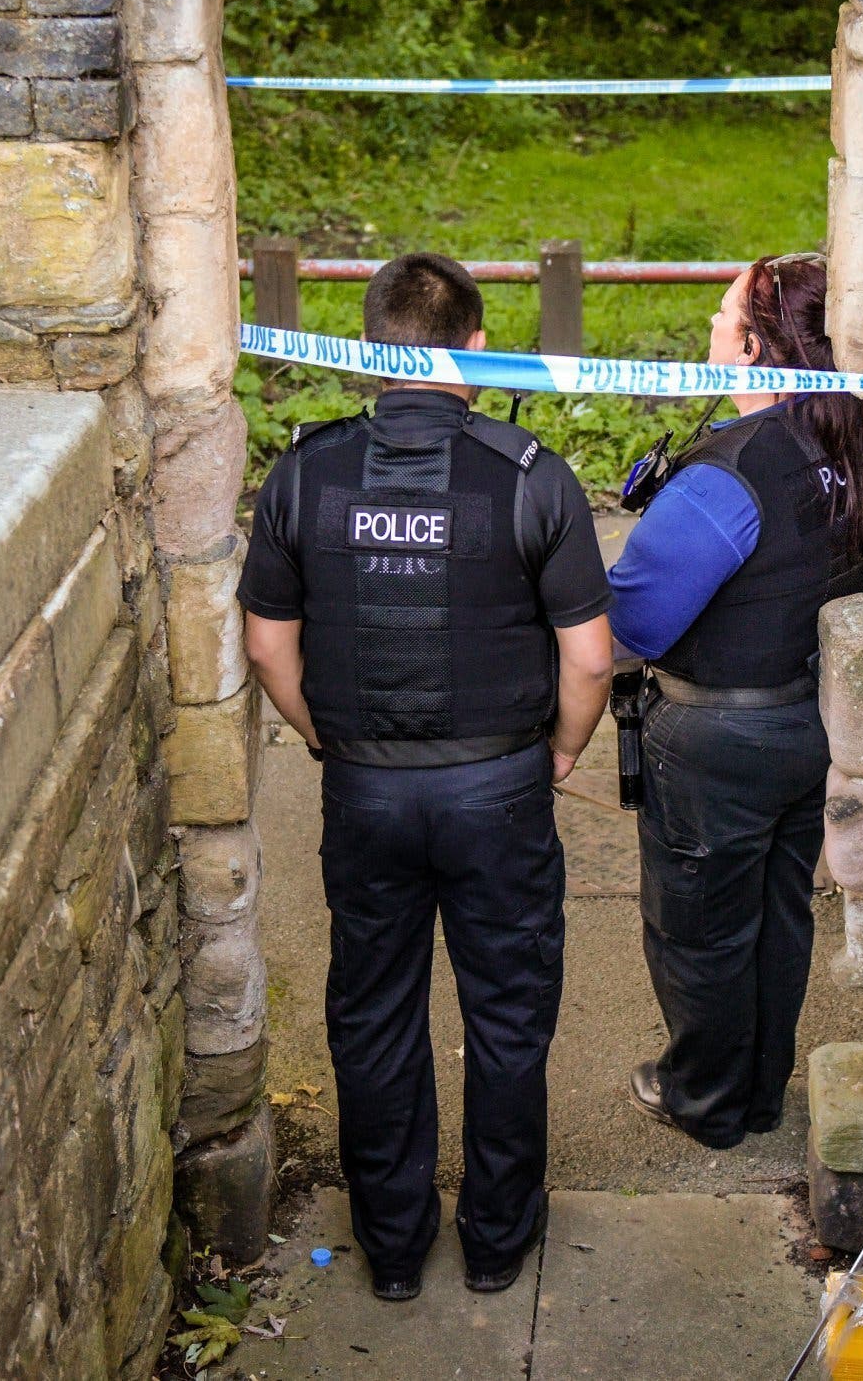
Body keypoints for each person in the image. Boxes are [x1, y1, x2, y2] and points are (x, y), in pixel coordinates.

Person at [239, 253, 615, 1303]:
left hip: (364, 788)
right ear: (477, 349)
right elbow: (589, 656)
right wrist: (562, 753)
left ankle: (394, 1249)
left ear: (366, 351)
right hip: (497, 788)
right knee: (506, 1013)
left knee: (373, 1013)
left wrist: (326, 737)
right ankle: (496, 1245)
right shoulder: (530, 475)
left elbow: (269, 647)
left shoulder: (305, 473)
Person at [607, 251, 863, 1150]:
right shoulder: (851, 441)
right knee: (778, 911)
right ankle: (760, 1087)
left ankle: (704, 1099)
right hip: (812, 723)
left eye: (724, 322)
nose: (710, 334)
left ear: (763, 351)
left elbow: (639, 621)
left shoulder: (729, 478)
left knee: (698, 929)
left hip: (717, 741)